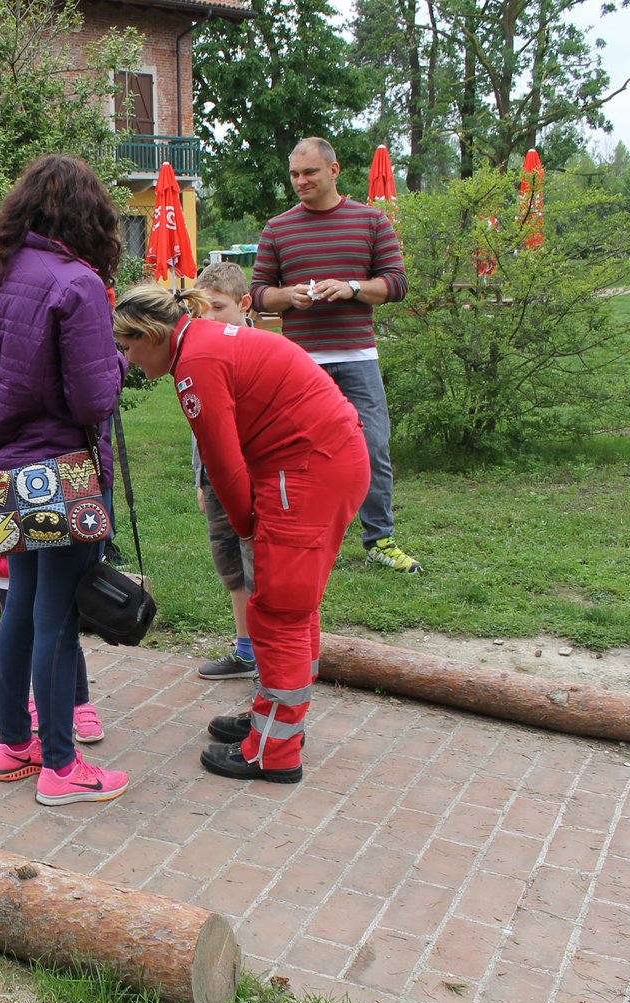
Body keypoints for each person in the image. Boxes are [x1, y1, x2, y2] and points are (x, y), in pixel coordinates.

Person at [112, 284, 369, 784]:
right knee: (291, 606)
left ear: (151, 334)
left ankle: (274, 751)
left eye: (128, 345)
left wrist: (249, 529)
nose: (128, 359)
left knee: (278, 610)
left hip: (306, 471)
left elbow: (224, 466)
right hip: (323, 461)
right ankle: (275, 719)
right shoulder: (203, 342)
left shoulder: (196, 365)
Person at [0, 154, 129, 806]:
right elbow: (94, 399)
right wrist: (118, 362)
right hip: (63, 470)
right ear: (85, 215)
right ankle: (62, 768)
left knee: (22, 609)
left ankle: (15, 744)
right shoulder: (78, 283)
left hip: (6, 466)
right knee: (59, 621)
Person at [249, 136, 420, 573]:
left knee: (372, 447)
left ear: (334, 171)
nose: (301, 181)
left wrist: (353, 288)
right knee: (297, 454)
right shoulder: (277, 228)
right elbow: (257, 295)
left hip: (358, 357)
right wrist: (289, 297)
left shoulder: (371, 221)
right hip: (301, 363)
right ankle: (302, 536)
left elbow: (397, 284)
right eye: (294, 175)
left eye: (309, 173)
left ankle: (380, 541)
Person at [190, 261, 256, 681]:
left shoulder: (256, 352)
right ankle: (246, 650)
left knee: (261, 568)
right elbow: (200, 425)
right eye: (201, 309)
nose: (208, 317)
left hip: (254, 479)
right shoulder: (202, 353)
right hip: (215, 479)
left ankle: (272, 655)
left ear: (244, 304)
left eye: (218, 307)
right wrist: (200, 477)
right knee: (231, 566)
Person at [0, 556, 103, 743]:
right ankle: (26, 709)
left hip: (58, 546)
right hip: (11, 549)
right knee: (23, 628)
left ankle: (78, 701)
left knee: (59, 633)